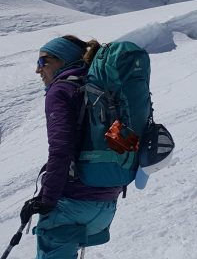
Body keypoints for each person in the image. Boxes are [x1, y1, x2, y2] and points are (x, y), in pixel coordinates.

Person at [21, 35, 122, 258]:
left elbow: (61, 149)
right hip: (106, 205)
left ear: (63, 60)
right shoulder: (102, 88)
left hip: (71, 204)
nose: (38, 70)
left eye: (42, 62)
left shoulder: (61, 90)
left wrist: (46, 200)